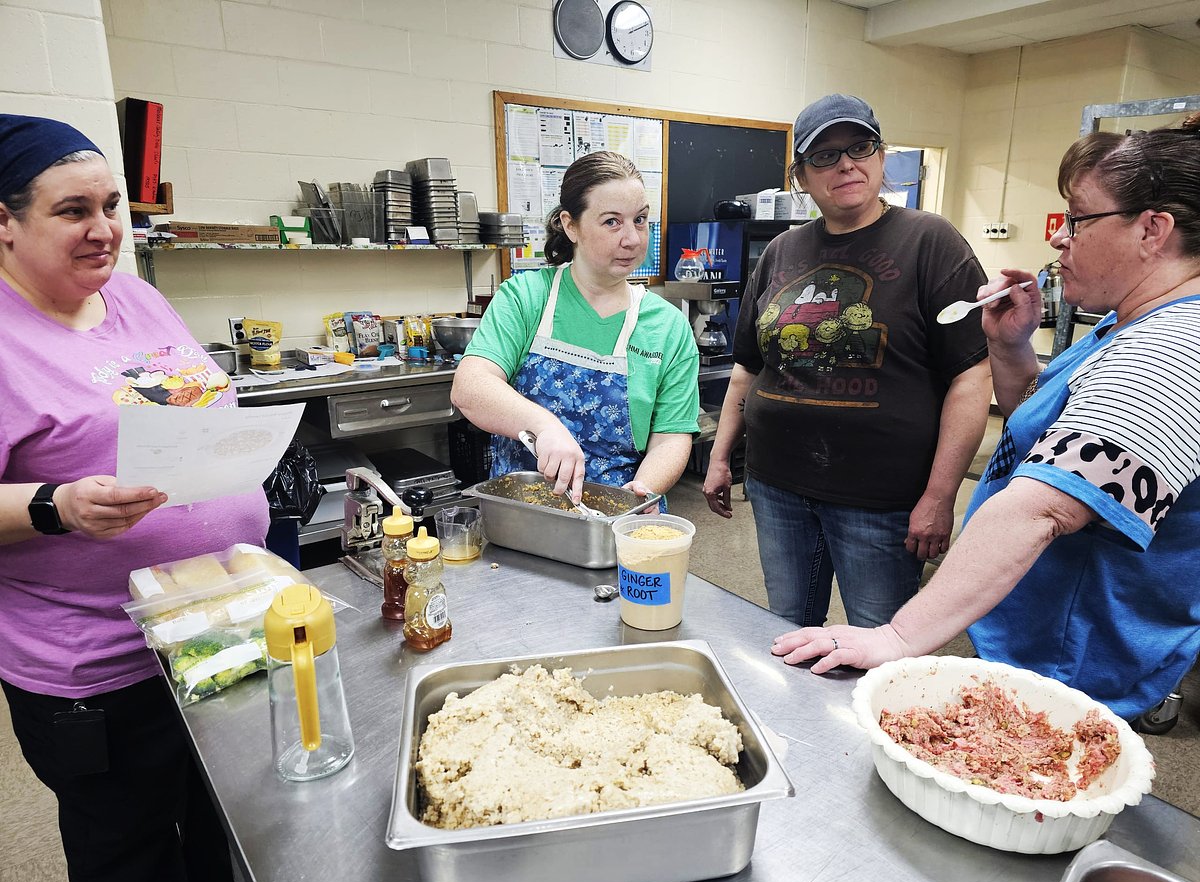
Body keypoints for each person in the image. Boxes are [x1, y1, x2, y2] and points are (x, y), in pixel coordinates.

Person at [772, 115, 1200, 722]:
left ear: (1153, 230)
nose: (1061, 238)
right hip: (1031, 644)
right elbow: (1043, 438)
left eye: (1077, 219)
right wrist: (1010, 348)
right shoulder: (1121, 324)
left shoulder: (1171, 348)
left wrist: (898, 637)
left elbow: (1046, 504)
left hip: (1067, 671)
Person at [0, 114, 268, 882]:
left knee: (227, 828)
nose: (104, 230)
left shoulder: (138, 299)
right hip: (98, 668)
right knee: (132, 858)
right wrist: (59, 505)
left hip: (217, 627)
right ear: (5, 223)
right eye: (73, 210)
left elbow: (193, 408)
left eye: (112, 205)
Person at [702, 94, 993, 628]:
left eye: (860, 147)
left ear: (881, 157)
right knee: (786, 629)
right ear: (801, 178)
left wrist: (940, 494)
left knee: (881, 643)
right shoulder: (781, 251)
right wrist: (722, 456)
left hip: (880, 498)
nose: (845, 165)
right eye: (825, 156)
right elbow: (748, 367)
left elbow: (972, 374)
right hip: (776, 484)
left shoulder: (931, 242)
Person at [451, 151, 700, 502]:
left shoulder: (668, 326)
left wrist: (642, 493)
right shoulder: (527, 297)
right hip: (519, 512)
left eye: (640, 220)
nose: (632, 238)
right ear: (571, 225)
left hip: (613, 515)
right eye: (612, 222)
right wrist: (544, 426)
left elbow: (671, 436)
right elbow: (470, 388)